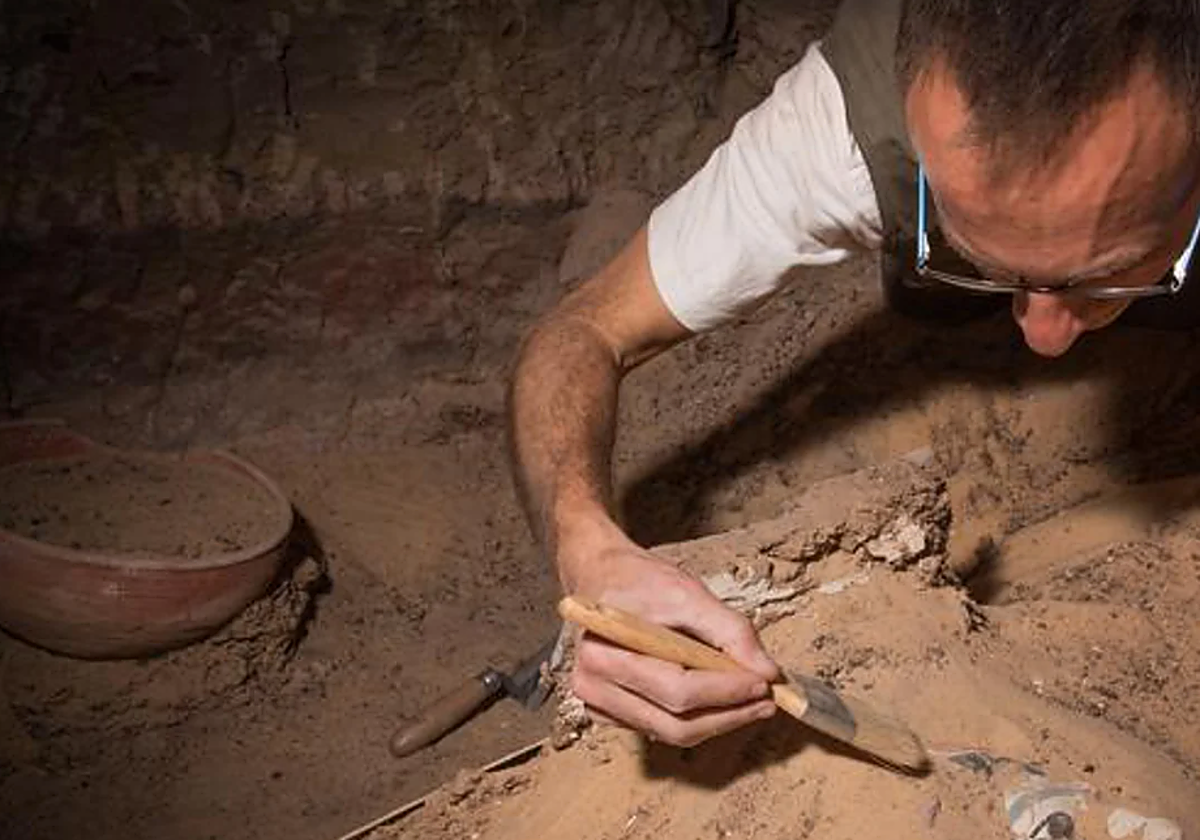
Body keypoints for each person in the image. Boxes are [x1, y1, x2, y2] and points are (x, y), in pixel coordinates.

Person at [508, 0, 1200, 748]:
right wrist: (588, 547)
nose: (1044, 338)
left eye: (1102, 275)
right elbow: (583, 332)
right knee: (935, 303)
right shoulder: (838, 131)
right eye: (993, 264)